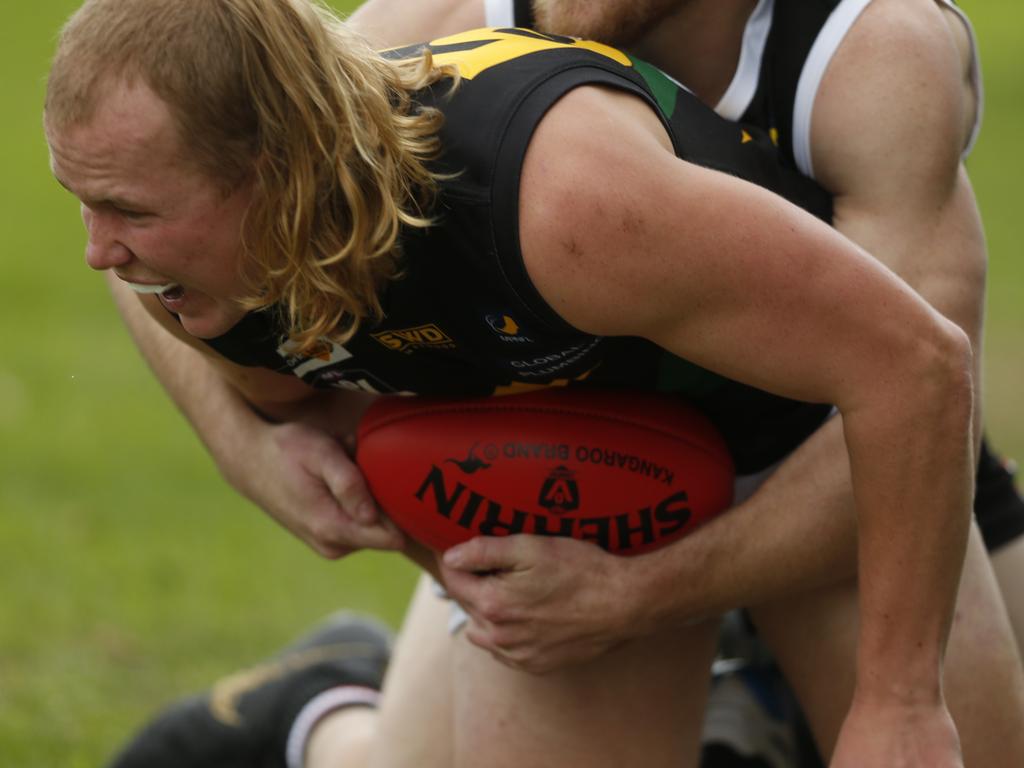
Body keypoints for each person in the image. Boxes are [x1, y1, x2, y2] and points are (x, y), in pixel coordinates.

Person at [43, 1, 1018, 766]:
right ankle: (322, 708)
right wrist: (248, 447)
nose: (102, 252)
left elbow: (921, 375)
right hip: (574, 469)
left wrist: (895, 703)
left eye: (121, 217)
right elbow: (164, 236)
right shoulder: (375, 67)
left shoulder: (863, 63)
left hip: (823, 450)